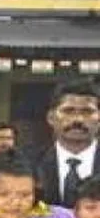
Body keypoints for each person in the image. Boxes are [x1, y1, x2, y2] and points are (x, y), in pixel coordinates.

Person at [35, 80, 100, 208]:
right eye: (68, 111)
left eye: (87, 111)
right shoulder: (30, 164)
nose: (78, 119)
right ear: (51, 118)